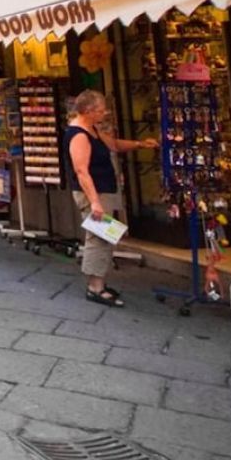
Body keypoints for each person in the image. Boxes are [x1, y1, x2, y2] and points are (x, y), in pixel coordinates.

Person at [65, 89, 157, 308]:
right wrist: (95, 201)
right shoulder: (78, 135)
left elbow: (113, 145)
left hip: (104, 190)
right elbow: (81, 171)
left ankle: (100, 283)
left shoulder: (92, 129)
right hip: (94, 193)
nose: (104, 113)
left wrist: (139, 144)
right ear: (87, 110)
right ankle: (95, 287)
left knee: (106, 236)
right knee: (97, 238)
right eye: (100, 110)